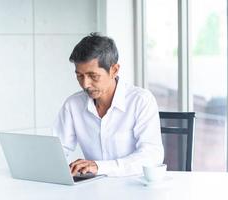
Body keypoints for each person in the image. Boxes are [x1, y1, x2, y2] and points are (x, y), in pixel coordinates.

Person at [52, 32, 164, 177]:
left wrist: (100, 167)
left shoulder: (141, 101)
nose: (85, 84)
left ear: (114, 70)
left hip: (133, 187)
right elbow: (58, 150)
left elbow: (152, 156)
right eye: (79, 76)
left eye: (93, 76)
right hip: (93, 189)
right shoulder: (73, 105)